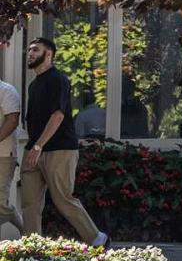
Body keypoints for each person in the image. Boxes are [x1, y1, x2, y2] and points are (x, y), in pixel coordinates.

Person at [20, 38, 107, 246]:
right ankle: (32, 248)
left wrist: (38, 146)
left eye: (35, 50)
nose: (30, 54)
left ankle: (97, 239)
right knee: (29, 203)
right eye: (29, 50)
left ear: (48, 54)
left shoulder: (58, 79)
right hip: (34, 150)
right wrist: (34, 147)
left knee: (63, 199)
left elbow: (57, 116)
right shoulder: (33, 85)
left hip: (59, 149)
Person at [0, 70, 21, 237]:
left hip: (4, 155)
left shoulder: (6, 90)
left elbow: (13, 120)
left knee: (0, 204)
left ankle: (26, 230)